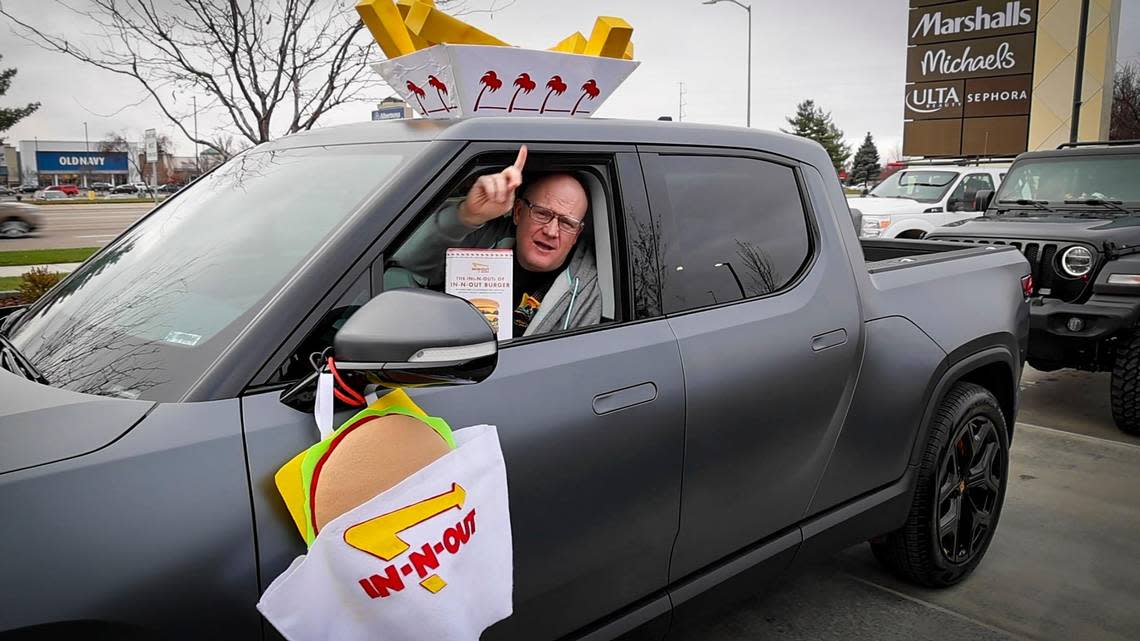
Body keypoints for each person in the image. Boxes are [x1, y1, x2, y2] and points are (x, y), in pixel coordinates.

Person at [388, 146, 601, 337]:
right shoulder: (483, 241)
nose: (552, 231)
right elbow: (408, 260)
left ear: (576, 234)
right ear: (518, 212)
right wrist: (466, 217)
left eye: (567, 223)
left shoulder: (586, 291)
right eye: (543, 214)